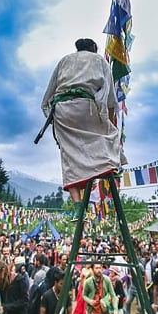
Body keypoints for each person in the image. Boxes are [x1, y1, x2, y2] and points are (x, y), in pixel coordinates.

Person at [40, 38, 125, 215]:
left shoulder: (64, 60)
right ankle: (112, 168)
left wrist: (54, 116)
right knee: (109, 136)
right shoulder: (99, 60)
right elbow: (109, 97)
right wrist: (108, 125)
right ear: (94, 48)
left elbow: (49, 92)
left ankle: (78, 204)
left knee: (68, 153)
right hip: (87, 105)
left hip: (61, 110)